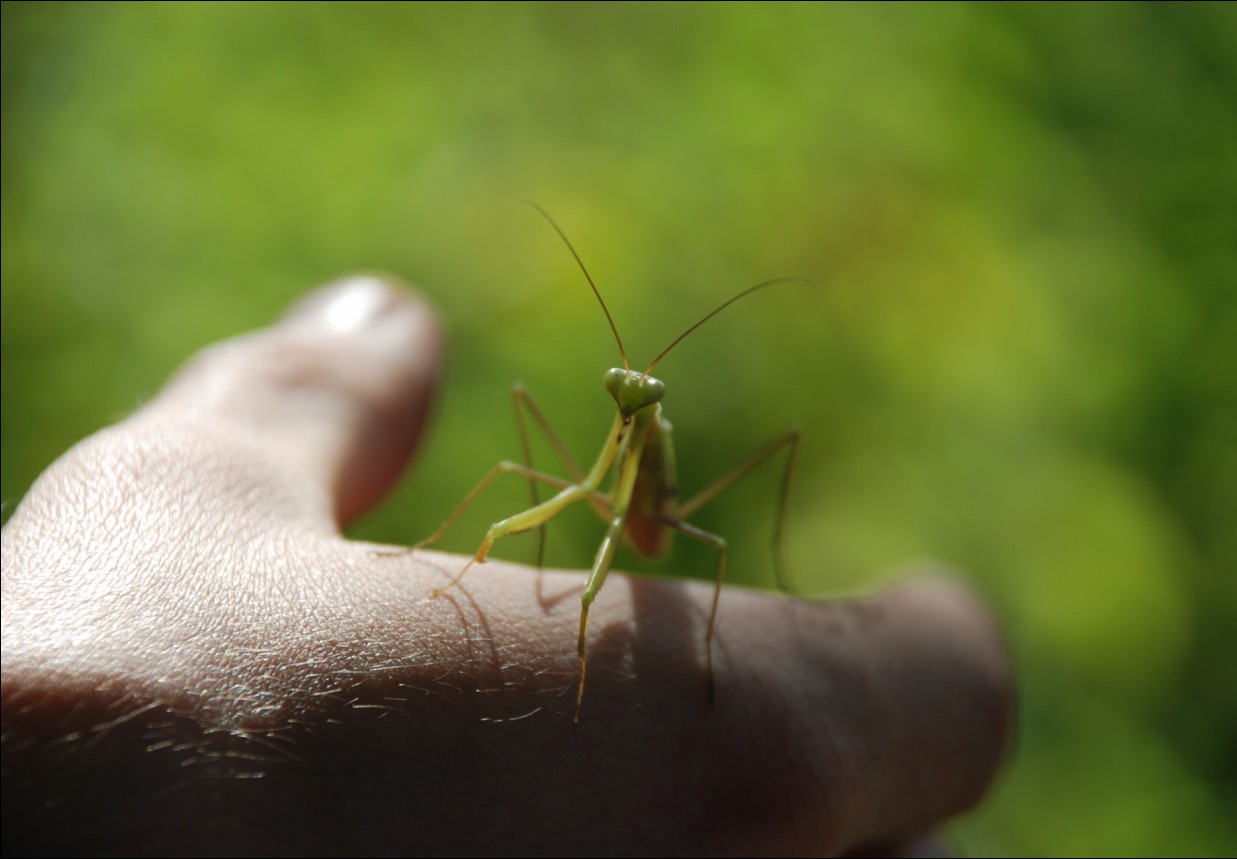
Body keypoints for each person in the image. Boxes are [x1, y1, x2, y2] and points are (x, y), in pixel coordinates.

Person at [1, 276, 1011, 856]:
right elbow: (588, 496)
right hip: (621, 513)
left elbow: (643, 526)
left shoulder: (650, 445)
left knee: (733, 478)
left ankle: (697, 595)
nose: (625, 396)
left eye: (636, 392)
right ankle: (460, 557)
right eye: (621, 386)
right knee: (512, 463)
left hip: (663, 520)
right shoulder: (618, 420)